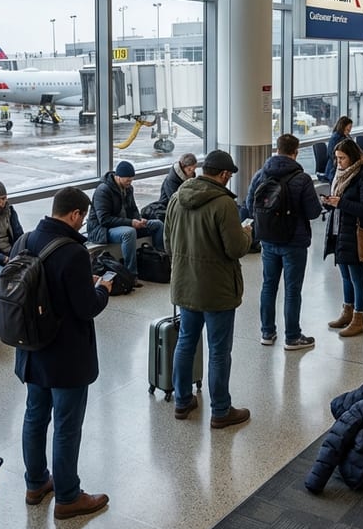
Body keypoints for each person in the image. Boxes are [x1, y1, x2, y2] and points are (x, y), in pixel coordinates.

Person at [13, 187, 113, 519]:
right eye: (81, 218)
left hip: (31, 350)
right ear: (74, 214)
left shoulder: (24, 241)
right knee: (67, 425)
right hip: (65, 356)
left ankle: (36, 482)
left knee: (35, 416)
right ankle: (68, 496)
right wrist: (101, 289)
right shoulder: (72, 253)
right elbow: (86, 308)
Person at [166, 150, 253, 428]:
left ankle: (182, 401)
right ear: (225, 175)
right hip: (217, 290)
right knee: (218, 351)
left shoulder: (177, 198)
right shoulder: (224, 205)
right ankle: (220, 410)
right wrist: (247, 233)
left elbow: (167, 243)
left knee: (185, 342)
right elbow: (236, 248)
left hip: (185, 285)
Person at [246, 134, 322, 351]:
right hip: (294, 242)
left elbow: (250, 204)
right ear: (295, 151)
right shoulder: (302, 179)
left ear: (277, 149)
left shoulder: (261, 174)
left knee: (268, 286)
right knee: (292, 289)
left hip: (268, 240)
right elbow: (313, 212)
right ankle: (292, 337)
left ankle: (267, 333)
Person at [323, 138, 363, 337]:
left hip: (356, 233)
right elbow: (338, 201)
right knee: (345, 275)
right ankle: (347, 311)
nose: (339, 163)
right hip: (339, 230)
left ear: (352, 157)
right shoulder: (339, 174)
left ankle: (359, 318)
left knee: (357, 277)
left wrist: (341, 203)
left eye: (342, 158)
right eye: (337, 159)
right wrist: (329, 202)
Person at [86, 161, 165, 278]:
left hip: (124, 224)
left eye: (131, 180)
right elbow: (104, 219)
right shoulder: (103, 190)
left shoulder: (128, 188)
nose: (130, 182)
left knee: (157, 224)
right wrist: (131, 222)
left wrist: (139, 219)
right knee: (129, 233)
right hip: (101, 230)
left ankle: (160, 260)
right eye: (127, 180)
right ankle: (131, 274)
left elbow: (133, 209)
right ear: (117, 177)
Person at [155, 153, 198, 217]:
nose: (192, 172)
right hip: (169, 209)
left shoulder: (189, 175)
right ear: (183, 167)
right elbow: (176, 201)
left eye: (194, 169)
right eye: (189, 169)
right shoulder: (171, 180)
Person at [322, 116, 353, 183]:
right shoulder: (336, 137)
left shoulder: (346, 137)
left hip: (343, 166)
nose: (350, 130)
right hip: (334, 169)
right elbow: (331, 155)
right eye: (349, 127)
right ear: (343, 126)